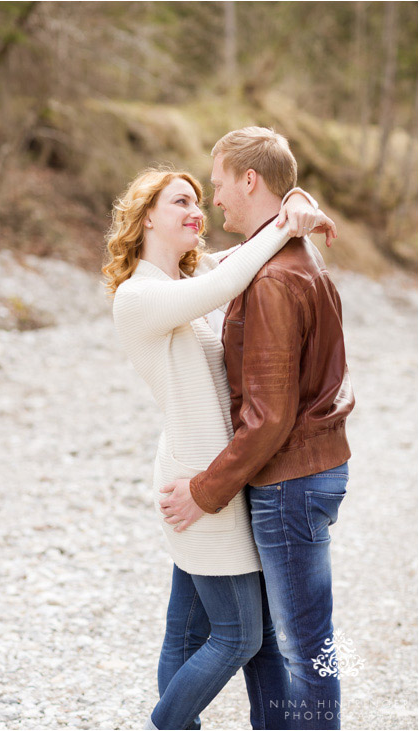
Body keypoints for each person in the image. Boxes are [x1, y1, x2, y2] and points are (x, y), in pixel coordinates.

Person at [105, 167, 335, 730]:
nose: (196, 211)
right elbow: (231, 281)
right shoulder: (138, 296)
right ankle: (166, 723)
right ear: (147, 217)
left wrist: (295, 200)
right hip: (197, 481)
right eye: (180, 201)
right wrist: (287, 227)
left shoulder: (189, 276)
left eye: (200, 202)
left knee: (186, 633)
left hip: (220, 474)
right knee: (239, 636)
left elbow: (243, 255)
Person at [159, 128, 354, 730]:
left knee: (304, 649)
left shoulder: (271, 280)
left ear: (250, 181)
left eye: (218, 185)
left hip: (289, 481)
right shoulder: (292, 257)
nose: (214, 200)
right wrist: (297, 202)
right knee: (282, 642)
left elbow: (269, 418)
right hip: (309, 471)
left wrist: (204, 490)